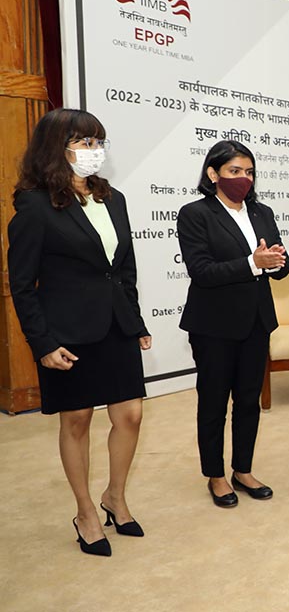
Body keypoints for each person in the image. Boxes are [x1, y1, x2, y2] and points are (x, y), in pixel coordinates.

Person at [7, 108, 152, 556]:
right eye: (83, 142)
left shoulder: (114, 198)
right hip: (66, 332)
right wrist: (43, 344)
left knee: (129, 416)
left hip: (116, 324)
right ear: (56, 146)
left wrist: (136, 320)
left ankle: (116, 497)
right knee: (78, 420)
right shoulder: (33, 204)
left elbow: (122, 270)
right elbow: (21, 283)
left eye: (98, 142)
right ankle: (86, 511)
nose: (93, 152)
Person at [177, 140, 289, 508]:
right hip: (213, 325)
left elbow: (277, 262)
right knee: (213, 403)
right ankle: (215, 475)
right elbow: (202, 271)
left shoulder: (262, 212)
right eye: (234, 171)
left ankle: (243, 469)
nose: (244, 178)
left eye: (249, 172)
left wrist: (278, 261)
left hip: (256, 322)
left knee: (247, 401)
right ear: (213, 174)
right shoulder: (195, 213)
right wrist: (253, 262)